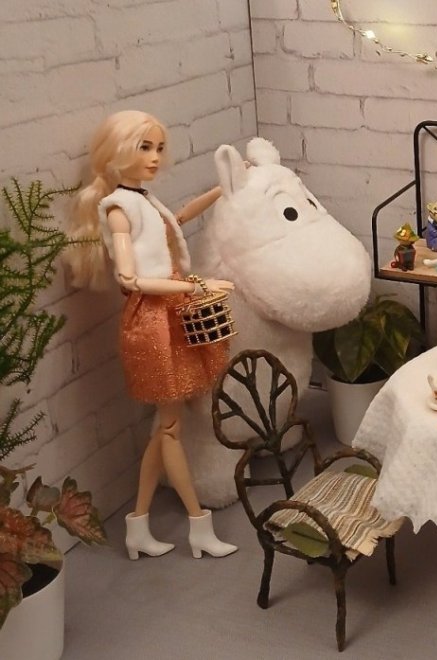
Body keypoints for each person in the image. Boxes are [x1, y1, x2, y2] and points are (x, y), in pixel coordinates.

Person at [66, 110, 237, 559]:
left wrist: (222, 190)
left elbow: (175, 221)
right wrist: (197, 286)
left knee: (165, 427)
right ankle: (198, 525)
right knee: (171, 429)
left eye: (159, 147)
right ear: (118, 150)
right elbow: (130, 279)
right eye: (145, 147)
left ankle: (138, 526)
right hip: (152, 322)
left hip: (169, 313)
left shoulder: (142, 199)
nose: (155, 157)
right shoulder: (118, 208)